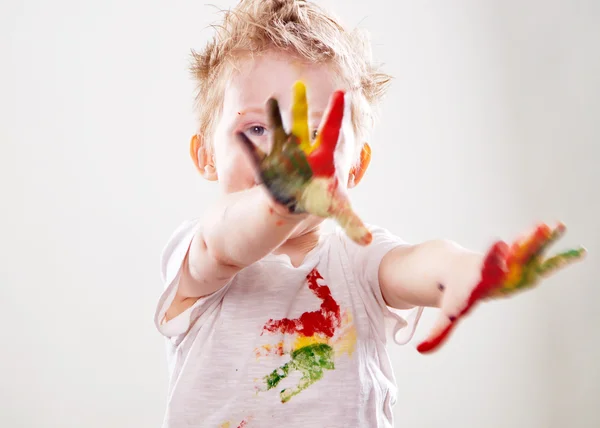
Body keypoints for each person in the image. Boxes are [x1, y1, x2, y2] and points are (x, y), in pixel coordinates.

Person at [154, 1, 584, 426]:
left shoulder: (360, 259)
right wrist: (278, 202)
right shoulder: (198, 254)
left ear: (355, 166)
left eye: (318, 134)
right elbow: (223, 241)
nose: (288, 156)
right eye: (258, 129)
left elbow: (416, 263)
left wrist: (468, 271)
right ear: (205, 155)